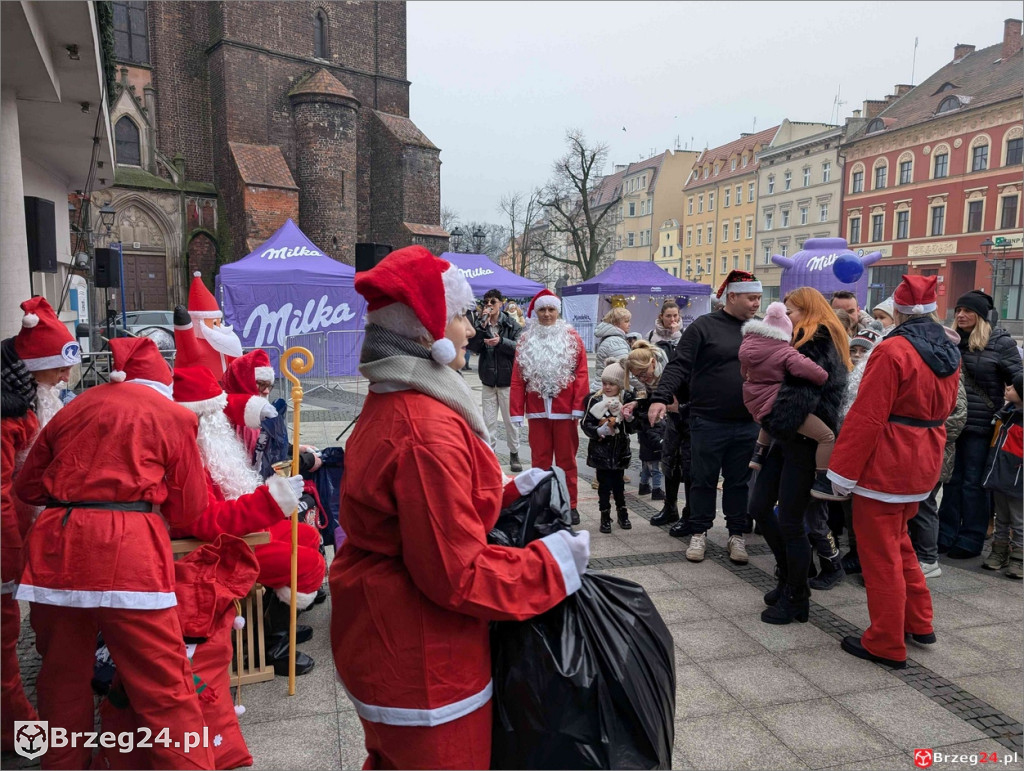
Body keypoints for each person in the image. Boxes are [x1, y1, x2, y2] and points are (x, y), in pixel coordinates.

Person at [330, 246, 589, 770]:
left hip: (388, 640)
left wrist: (507, 492)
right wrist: (553, 567)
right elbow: (456, 572)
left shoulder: (399, 399)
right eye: (457, 316)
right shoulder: (424, 426)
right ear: (426, 329)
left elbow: (421, 515)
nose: (469, 330)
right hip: (424, 661)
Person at [12, 337, 216, 770]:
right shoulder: (173, 416)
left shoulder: (72, 410)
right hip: (129, 554)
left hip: (57, 553)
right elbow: (192, 509)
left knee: (60, 679)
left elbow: (27, 487)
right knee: (165, 684)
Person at [826, 275, 960, 668]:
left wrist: (841, 472)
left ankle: (885, 641)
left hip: (886, 463)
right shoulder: (949, 350)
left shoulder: (893, 350)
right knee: (900, 543)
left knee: (879, 554)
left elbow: (867, 416)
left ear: (898, 310)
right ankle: (919, 621)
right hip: (923, 459)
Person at [171, 364, 325, 675]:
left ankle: (277, 624)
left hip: (237, 533)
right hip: (214, 548)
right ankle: (275, 648)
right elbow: (205, 522)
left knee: (305, 535)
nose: (220, 422)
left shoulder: (205, 446)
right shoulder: (187, 459)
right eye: (213, 415)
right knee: (307, 562)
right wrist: (269, 501)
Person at [750, 287, 850, 624]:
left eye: (790, 311)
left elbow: (799, 398)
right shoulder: (801, 339)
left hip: (803, 442)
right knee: (759, 506)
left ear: (807, 311)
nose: (785, 316)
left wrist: (765, 413)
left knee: (792, 521)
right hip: (786, 436)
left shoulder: (817, 339)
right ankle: (790, 578)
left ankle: (796, 597)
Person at [648, 270, 762, 564]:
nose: (756, 304)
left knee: (738, 483)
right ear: (732, 297)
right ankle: (699, 531)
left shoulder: (761, 329)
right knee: (702, 479)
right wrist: (661, 397)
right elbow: (680, 365)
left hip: (747, 422)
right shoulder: (703, 326)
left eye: (759, 298)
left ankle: (736, 534)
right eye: (752, 298)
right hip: (707, 420)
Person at [938, 290, 1022, 559]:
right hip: (951, 423)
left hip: (981, 425)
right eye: (959, 310)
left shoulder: (1000, 343)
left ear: (981, 316)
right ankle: (945, 533)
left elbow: (1019, 381)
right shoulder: (948, 341)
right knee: (950, 481)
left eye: (968, 311)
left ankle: (972, 537)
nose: (961, 315)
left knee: (973, 483)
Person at [511, 288, 591, 524]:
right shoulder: (525, 340)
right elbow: (517, 378)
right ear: (536, 313)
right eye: (542, 310)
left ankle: (571, 504)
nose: (547, 314)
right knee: (540, 461)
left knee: (567, 461)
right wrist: (516, 410)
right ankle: (542, 503)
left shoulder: (572, 338)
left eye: (551, 309)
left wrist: (578, 407)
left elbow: (582, 374)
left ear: (558, 311)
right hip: (537, 411)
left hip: (565, 412)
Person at [740, 302, 833, 483]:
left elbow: (744, 374)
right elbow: (817, 374)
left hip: (753, 401)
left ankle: (758, 454)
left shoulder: (747, 347)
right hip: (778, 406)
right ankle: (823, 481)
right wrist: (824, 374)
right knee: (826, 436)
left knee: (767, 416)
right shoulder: (786, 352)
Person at [624, 341, 689, 522]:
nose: (643, 379)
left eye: (644, 374)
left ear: (653, 362)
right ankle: (670, 508)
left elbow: (700, 398)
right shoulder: (653, 376)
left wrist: (681, 408)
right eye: (638, 376)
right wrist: (637, 403)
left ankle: (689, 513)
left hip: (690, 422)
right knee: (669, 463)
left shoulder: (673, 369)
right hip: (673, 422)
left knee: (688, 467)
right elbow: (655, 397)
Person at [469, 288, 523, 472]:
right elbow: (473, 347)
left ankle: (514, 453)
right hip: (488, 381)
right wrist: (481, 329)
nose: (489, 305)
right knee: (488, 422)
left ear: (501, 303)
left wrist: (500, 342)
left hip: (507, 381)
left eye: (493, 302)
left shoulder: (511, 324)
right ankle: (489, 456)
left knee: (510, 422)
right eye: (486, 302)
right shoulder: (480, 323)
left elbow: (519, 347)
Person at [582, 359, 636, 533]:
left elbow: (633, 429)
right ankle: (605, 515)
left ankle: (622, 512)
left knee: (619, 484)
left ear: (619, 385)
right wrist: (598, 430)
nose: (607, 387)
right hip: (601, 451)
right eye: (605, 383)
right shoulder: (595, 400)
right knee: (604, 485)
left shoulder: (626, 399)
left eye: (611, 384)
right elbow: (585, 424)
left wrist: (628, 420)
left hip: (619, 450)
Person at [981, 375, 1023, 579]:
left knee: (1019, 520)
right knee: (1001, 516)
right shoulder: (1006, 414)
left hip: (1018, 479)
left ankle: (1019, 558)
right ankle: (999, 551)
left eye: (1014, 387)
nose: (1008, 387)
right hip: (1000, 474)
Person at [174, 271, 243, 382]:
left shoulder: (222, 340)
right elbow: (186, 343)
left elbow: (233, 358)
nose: (217, 326)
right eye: (213, 322)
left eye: (217, 322)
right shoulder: (197, 345)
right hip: (199, 391)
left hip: (222, 388)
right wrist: (183, 326)